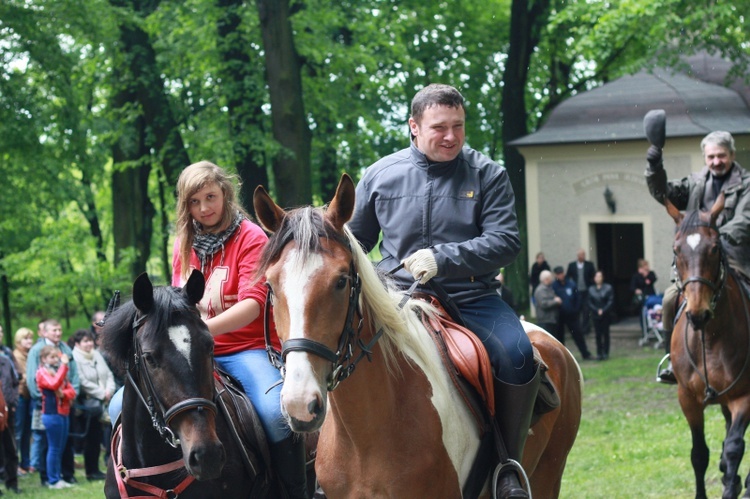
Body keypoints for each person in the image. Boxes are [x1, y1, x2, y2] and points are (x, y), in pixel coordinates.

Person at [347, 83, 544, 499]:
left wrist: (445, 258)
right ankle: (327, 463)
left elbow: (506, 240)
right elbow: (356, 245)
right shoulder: (380, 174)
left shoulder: (488, 174)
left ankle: (507, 464)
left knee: (518, 357)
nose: (451, 136)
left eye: (458, 126)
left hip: (471, 298)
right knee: (335, 353)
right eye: (439, 127)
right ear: (414, 127)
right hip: (397, 298)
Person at [172, 161, 307, 498]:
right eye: (194, 201)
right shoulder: (183, 244)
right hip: (197, 352)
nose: (204, 208)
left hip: (248, 350)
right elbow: (179, 301)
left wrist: (201, 330)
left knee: (276, 414)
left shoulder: (250, 236)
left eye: (210, 197)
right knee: (121, 405)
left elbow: (254, 305)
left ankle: (292, 491)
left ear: (226, 194)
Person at [646, 130, 750, 383]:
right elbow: (664, 194)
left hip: (735, 256)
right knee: (670, 299)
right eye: (711, 156)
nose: (716, 161)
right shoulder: (695, 182)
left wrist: (712, 236)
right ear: (705, 157)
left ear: (732, 155)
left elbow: (745, 220)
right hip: (695, 262)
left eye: (721, 156)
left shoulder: (747, 183)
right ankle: (671, 359)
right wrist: (654, 165)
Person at [26, 319, 79, 487]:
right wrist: (41, 397)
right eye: (54, 330)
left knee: (62, 444)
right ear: (45, 332)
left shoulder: (65, 348)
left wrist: (66, 395)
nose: (58, 333)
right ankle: (48, 478)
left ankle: (63, 475)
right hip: (47, 406)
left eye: (59, 330)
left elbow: (71, 380)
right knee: (46, 444)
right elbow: (36, 380)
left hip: (64, 406)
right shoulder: (37, 352)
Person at [71, 329, 113, 481]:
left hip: (103, 401)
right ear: (77, 344)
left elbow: (108, 374)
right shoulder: (74, 357)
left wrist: (109, 390)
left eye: (90, 341)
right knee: (90, 438)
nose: (88, 344)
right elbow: (82, 381)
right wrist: (102, 393)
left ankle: (95, 469)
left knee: (97, 438)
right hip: (88, 404)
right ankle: (90, 470)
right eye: (85, 341)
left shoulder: (96, 354)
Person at [36, 345, 77, 490]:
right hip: (52, 414)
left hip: (63, 413)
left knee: (59, 448)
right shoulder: (42, 372)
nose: (55, 360)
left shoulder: (57, 371)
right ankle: (53, 480)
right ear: (43, 359)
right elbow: (54, 385)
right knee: (53, 448)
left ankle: (57, 477)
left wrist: (64, 394)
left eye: (56, 357)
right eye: (52, 357)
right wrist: (64, 366)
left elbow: (71, 391)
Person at [552, 266, 593, 360]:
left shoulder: (571, 283)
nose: (561, 275)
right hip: (560, 316)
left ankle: (585, 354)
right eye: (558, 274)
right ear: (556, 275)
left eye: (561, 273)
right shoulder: (554, 286)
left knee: (578, 334)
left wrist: (576, 310)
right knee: (559, 337)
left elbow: (578, 297)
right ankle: (561, 357)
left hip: (572, 315)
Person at [0, 336, 21, 494]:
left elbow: (15, 382)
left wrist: (12, 403)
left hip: (7, 411)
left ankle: (12, 483)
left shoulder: (5, 360)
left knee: (11, 449)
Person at [12, 328, 34, 476]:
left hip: (28, 396)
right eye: (26, 339)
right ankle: (17, 465)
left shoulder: (29, 355)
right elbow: (23, 376)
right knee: (19, 432)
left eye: (30, 338)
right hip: (20, 396)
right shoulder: (16, 356)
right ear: (18, 341)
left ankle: (25, 463)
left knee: (27, 432)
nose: (29, 341)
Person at [565, 249, 596, 335]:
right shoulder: (572, 265)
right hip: (576, 292)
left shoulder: (589, 265)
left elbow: (593, 277)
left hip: (586, 291)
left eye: (584, 255)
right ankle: (577, 329)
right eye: (581, 255)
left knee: (586, 311)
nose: (583, 256)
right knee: (576, 310)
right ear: (578, 256)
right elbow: (567, 277)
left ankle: (585, 329)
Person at [588, 270, 614, 361]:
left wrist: (603, 310)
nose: (598, 278)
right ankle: (599, 353)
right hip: (595, 315)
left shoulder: (608, 288)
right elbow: (590, 302)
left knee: (605, 334)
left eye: (600, 276)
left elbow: (610, 301)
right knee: (598, 335)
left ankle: (606, 352)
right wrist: (596, 310)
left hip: (605, 314)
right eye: (596, 276)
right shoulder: (591, 289)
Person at [533, 270, 561, 334]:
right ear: (546, 279)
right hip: (545, 320)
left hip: (551, 320)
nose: (552, 280)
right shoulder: (540, 290)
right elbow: (544, 304)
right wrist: (555, 301)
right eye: (550, 278)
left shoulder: (548, 288)